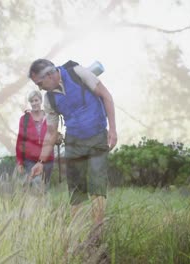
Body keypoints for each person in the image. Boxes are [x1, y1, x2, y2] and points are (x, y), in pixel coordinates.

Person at [28, 59, 117, 226]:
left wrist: (112, 130)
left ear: (49, 75)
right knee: (76, 191)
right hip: (73, 143)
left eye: (40, 83)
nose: (39, 88)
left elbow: (106, 96)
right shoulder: (49, 100)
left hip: (97, 137)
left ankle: (97, 234)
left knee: (97, 185)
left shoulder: (77, 73)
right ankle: (76, 233)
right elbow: (52, 133)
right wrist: (40, 161)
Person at [15, 90, 54, 189]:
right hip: (30, 160)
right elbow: (20, 141)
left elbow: (53, 135)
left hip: (48, 160)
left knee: (45, 188)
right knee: (37, 185)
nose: (34, 103)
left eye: (36, 100)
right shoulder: (24, 119)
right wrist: (19, 161)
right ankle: (30, 203)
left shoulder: (49, 117)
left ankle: (43, 205)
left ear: (41, 101)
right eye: (32, 101)